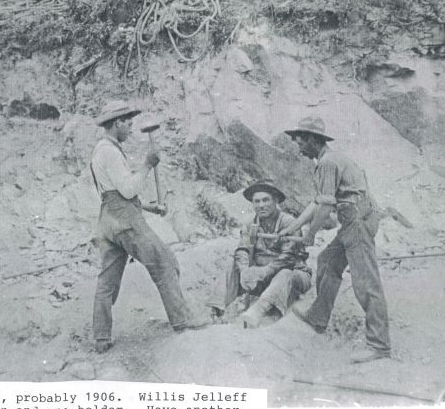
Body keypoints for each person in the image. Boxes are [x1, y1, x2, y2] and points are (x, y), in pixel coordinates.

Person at [90, 100, 206, 353]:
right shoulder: (110, 151)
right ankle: (183, 321)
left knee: (107, 281)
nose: (131, 128)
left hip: (108, 220)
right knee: (165, 263)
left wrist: (151, 208)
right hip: (125, 222)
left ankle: (101, 337)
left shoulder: (100, 150)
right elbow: (128, 188)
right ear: (117, 123)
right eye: (128, 122)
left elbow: (114, 194)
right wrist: (147, 164)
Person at [285, 116, 391, 363]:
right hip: (355, 221)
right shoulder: (329, 160)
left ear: (313, 139)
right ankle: (318, 317)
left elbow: (325, 207)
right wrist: (294, 226)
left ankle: (379, 345)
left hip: (357, 223)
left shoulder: (327, 163)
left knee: (366, 283)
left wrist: (309, 235)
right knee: (327, 261)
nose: (298, 145)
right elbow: (319, 201)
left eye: (300, 140)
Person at [208, 181, 312, 329]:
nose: (261, 205)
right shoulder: (251, 223)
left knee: (285, 274)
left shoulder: (288, 222)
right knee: (233, 266)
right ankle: (216, 309)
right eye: (257, 201)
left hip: (292, 274)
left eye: (265, 200)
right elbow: (242, 250)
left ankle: (259, 311)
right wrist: (245, 271)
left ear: (275, 201)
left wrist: (264, 271)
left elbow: (288, 257)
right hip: (261, 277)